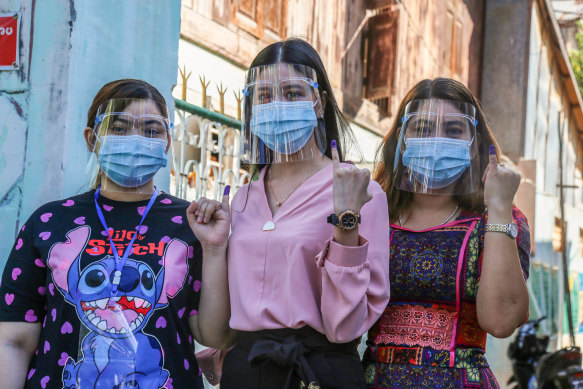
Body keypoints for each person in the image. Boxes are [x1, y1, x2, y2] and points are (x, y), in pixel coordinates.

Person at [0, 79, 230, 388]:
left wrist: (215, 250)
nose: (136, 139)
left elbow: (214, 335)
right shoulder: (50, 222)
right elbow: (13, 341)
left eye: (151, 130)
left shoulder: (191, 224)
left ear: (166, 142)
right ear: (92, 139)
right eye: (119, 128)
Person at [191, 38, 391, 388]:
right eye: (265, 96)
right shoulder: (240, 200)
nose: (278, 105)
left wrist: (346, 223)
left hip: (318, 374)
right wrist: (214, 249)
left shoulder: (361, 192)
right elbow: (219, 331)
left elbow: (343, 327)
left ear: (319, 103)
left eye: (293, 92)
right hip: (246, 372)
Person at [363, 78, 531, 388]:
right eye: (423, 129)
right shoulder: (372, 213)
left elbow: (501, 321)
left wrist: (498, 207)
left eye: (453, 130)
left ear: (474, 142)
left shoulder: (495, 219)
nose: (435, 141)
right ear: (401, 138)